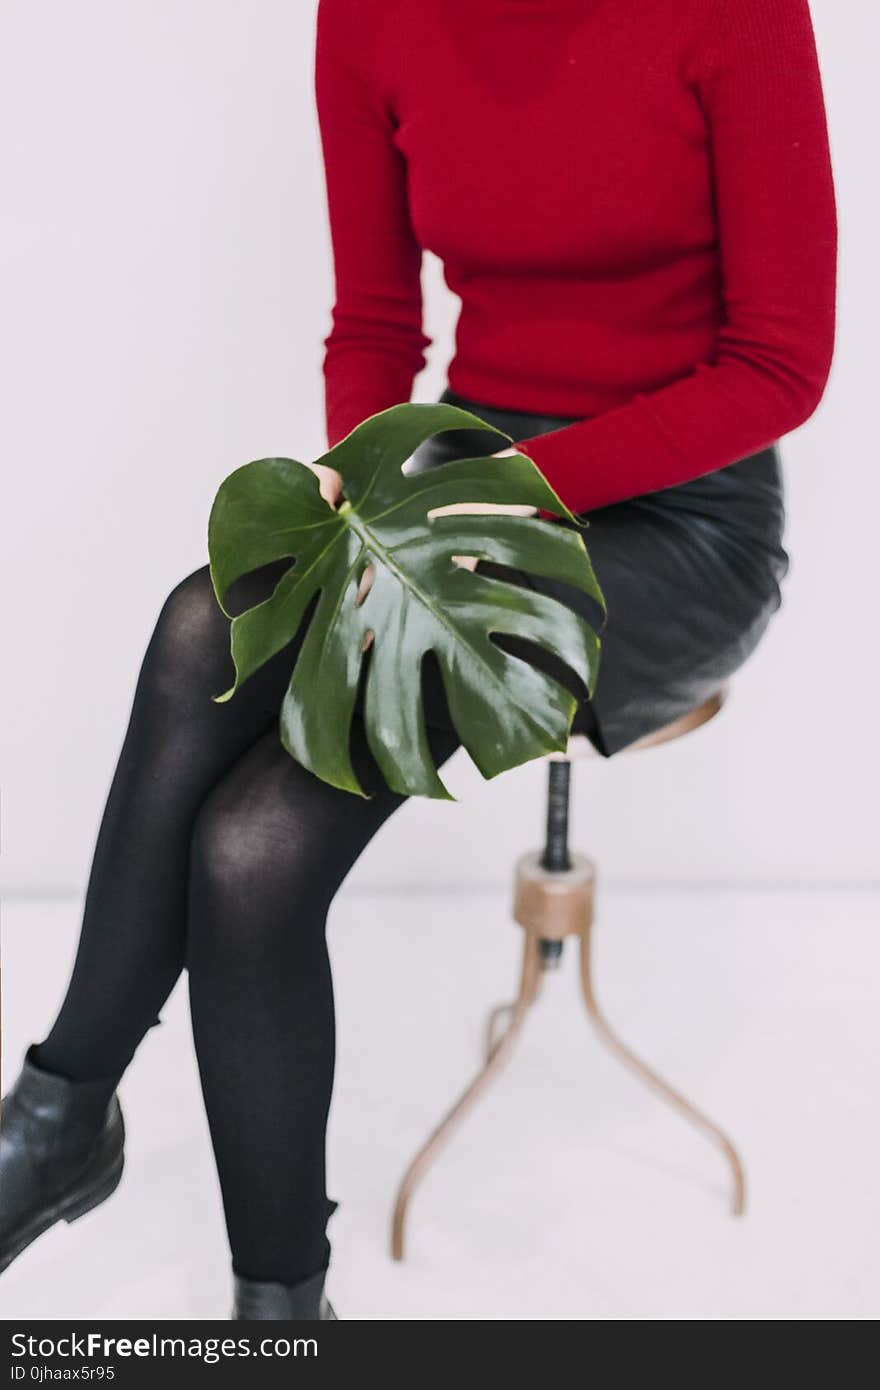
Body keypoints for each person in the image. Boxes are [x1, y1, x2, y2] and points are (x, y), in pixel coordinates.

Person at [0, 0, 837, 1320]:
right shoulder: (372, 17)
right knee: (201, 639)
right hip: (460, 480)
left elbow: (780, 365)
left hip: (682, 520)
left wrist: (504, 489)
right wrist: (365, 471)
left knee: (259, 845)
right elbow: (379, 324)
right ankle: (108, 1156)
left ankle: (82, 1159)